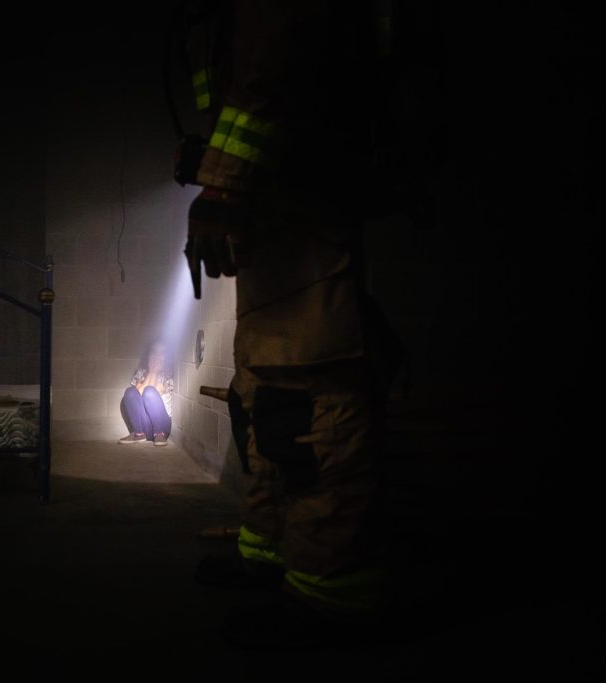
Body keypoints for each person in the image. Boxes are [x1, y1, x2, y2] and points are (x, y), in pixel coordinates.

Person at [175, 0, 416, 645]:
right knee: (265, 392)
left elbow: (275, 65)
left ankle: (333, 599)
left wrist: (222, 182)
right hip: (276, 207)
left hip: (305, 199)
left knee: (312, 395)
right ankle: (269, 554)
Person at [117, 338, 175, 447]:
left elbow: (151, 396)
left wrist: (155, 372)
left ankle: (159, 434)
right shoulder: (142, 372)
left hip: (162, 426)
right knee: (129, 392)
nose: (157, 357)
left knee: (149, 392)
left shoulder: (167, 375)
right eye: (154, 352)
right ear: (148, 355)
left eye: (161, 353)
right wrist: (151, 371)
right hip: (144, 427)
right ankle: (138, 434)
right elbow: (136, 397)